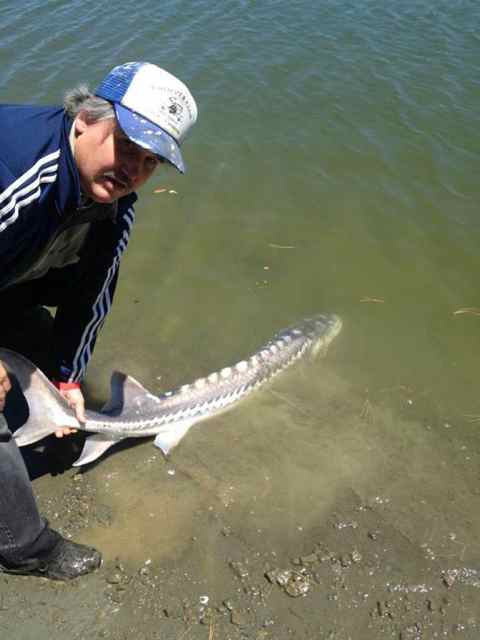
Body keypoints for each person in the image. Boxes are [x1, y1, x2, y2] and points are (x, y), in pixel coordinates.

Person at [0, 62, 198, 579]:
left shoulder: (114, 204)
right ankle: (24, 548)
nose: (133, 168)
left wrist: (67, 376)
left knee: (53, 356)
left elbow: (93, 295)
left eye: (150, 161)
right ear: (84, 119)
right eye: (127, 146)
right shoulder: (18, 170)